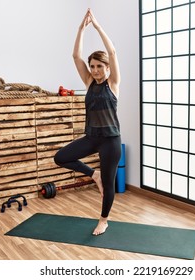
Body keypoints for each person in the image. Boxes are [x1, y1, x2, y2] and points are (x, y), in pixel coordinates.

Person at [54, 8, 121, 236]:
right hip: (92, 137)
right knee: (61, 157)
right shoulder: (89, 82)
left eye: (99, 66)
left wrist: (98, 27)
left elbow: (112, 51)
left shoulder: (112, 83)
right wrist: (80, 29)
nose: (94, 70)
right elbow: (75, 57)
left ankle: (104, 220)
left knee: (109, 184)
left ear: (107, 68)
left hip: (110, 141)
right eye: (92, 66)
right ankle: (94, 175)